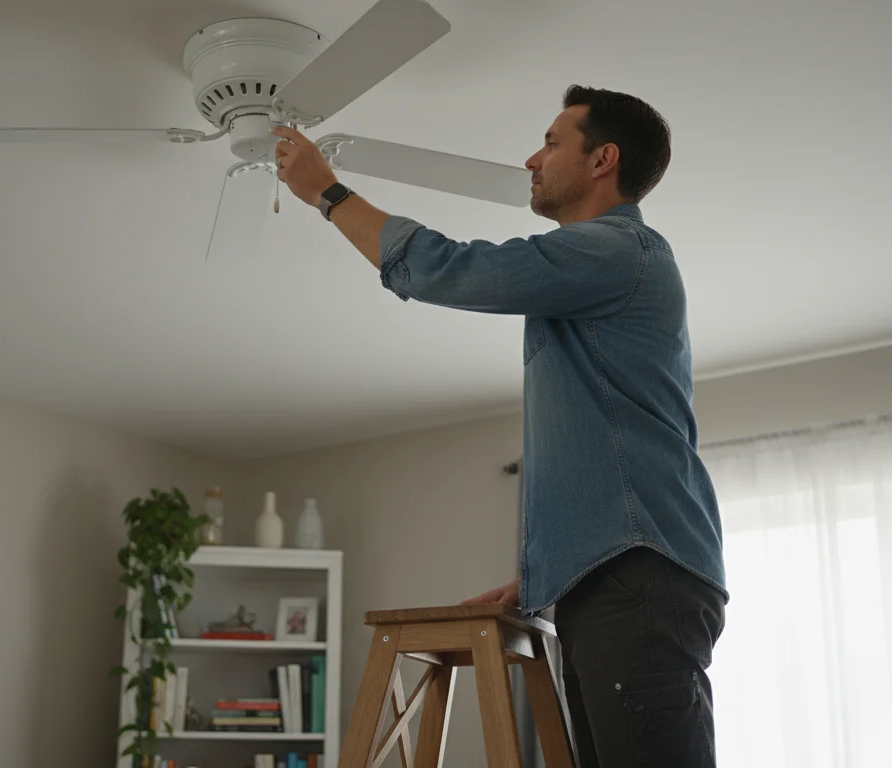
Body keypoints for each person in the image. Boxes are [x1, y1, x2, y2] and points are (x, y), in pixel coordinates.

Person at [273, 85, 727, 767]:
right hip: (616, 576)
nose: (531, 158)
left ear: (603, 159)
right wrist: (554, 566)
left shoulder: (618, 251)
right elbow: (599, 448)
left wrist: (329, 194)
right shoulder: (592, 276)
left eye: (551, 141)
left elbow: (446, 268)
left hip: (637, 577)